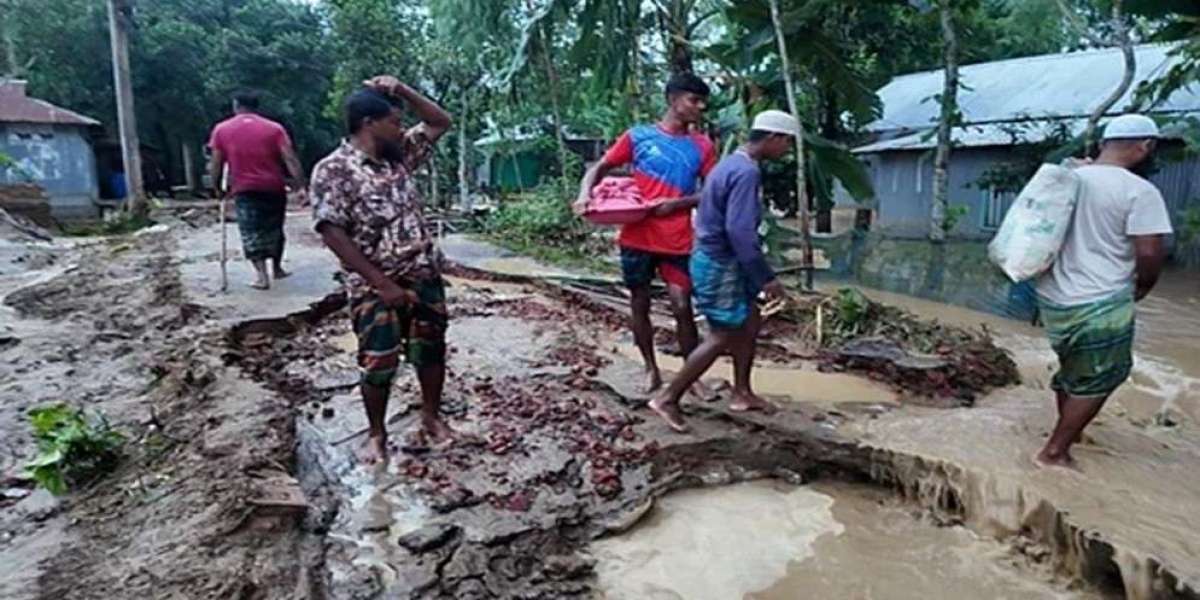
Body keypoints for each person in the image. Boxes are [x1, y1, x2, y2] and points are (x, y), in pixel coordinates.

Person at [309, 76, 454, 464]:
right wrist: (382, 283)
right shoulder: (333, 170)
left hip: (423, 273)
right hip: (374, 285)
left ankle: (432, 418)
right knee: (378, 361)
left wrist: (402, 90)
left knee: (430, 350)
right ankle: (376, 433)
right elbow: (331, 231)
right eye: (393, 120)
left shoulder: (400, 155)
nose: (401, 127)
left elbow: (441, 122)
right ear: (368, 123)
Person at [1034, 113, 1173, 468]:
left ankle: (1071, 430)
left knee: (1073, 366)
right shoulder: (1140, 191)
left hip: (1053, 298)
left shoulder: (1069, 179)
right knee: (1106, 374)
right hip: (1101, 297)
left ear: (1102, 145)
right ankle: (1056, 451)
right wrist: (1143, 286)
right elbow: (1148, 251)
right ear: (1145, 146)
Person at [648, 110, 797, 433]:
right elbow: (740, 231)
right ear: (773, 138)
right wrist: (766, 277)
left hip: (722, 258)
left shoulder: (731, 163)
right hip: (720, 262)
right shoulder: (745, 173)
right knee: (722, 333)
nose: (787, 149)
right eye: (787, 142)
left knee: (750, 320)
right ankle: (668, 397)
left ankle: (742, 392)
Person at [574, 72, 717, 394]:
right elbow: (599, 167)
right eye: (694, 100)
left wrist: (679, 203)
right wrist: (585, 194)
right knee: (639, 303)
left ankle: (689, 377)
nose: (700, 107)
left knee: (682, 306)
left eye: (702, 102)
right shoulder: (638, 137)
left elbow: (713, 192)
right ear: (672, 100)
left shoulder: (703, 145)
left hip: (678, 238)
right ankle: (651, 369)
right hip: (636, 237)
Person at [208, 90, 306, 290]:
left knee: (251, 231)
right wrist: (301, 185)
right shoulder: (274, 129)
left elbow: (216, 163)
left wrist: (216, 187)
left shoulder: (221, 130)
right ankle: (277, 269)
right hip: (273, 186)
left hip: (245, 188)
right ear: (257, 107)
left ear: (236, 106)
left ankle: (262, 276)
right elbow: (289, 158)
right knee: (275, 227)